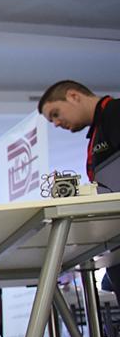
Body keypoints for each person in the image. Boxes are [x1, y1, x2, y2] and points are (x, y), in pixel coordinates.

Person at [38, 80, 120, 288]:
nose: (56, 123)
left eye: (56, 114)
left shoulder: (115, 112)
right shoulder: (99, 129)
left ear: (74, 96)